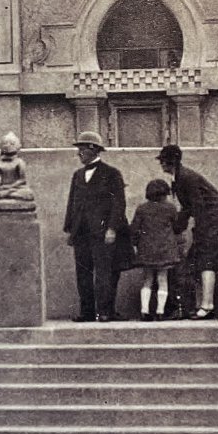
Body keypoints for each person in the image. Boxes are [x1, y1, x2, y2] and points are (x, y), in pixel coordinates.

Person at [156, 144, 218, 320]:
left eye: (164, 161)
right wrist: (179, 226)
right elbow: (187, 208)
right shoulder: (178, 179)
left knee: (207, 260)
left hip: (215, 220)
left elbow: (198, 206)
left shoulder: (186, 177)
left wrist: (200, 231)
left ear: (173, 161)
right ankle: (202, 304)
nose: (162, 164)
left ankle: (207, 306)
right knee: (199, 260)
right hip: (210, 220)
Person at [62, 131, 129, 323]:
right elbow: (72, 202)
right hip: (81, 233)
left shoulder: (112, 173)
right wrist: (70, 229)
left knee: (104, 273)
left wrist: (112, 229)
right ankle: (88, 312)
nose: (79, 154)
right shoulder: (78, 175)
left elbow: (119, 204)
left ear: (93, 149)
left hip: (102, 233)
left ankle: (106, 311)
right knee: (83, 273)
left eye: (82, 150)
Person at [130, 178, 179, 321]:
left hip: (147, 249)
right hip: (165, 248)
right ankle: (160, 311)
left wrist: (135, 244)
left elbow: (134, 229)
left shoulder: (142, 208)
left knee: (148, 279)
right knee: (163, 279)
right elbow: (176, 227)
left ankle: (144, 311)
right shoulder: (170, 208)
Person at [0, 132, 34, 201]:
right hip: (2, 188)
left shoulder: (19, 162)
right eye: (5, 143)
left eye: (11, 144)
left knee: (28, 194)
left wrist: (10, 187)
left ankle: (7, 195)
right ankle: (7, 195)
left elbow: (22, 180)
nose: (8, 145)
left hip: (16, 188)